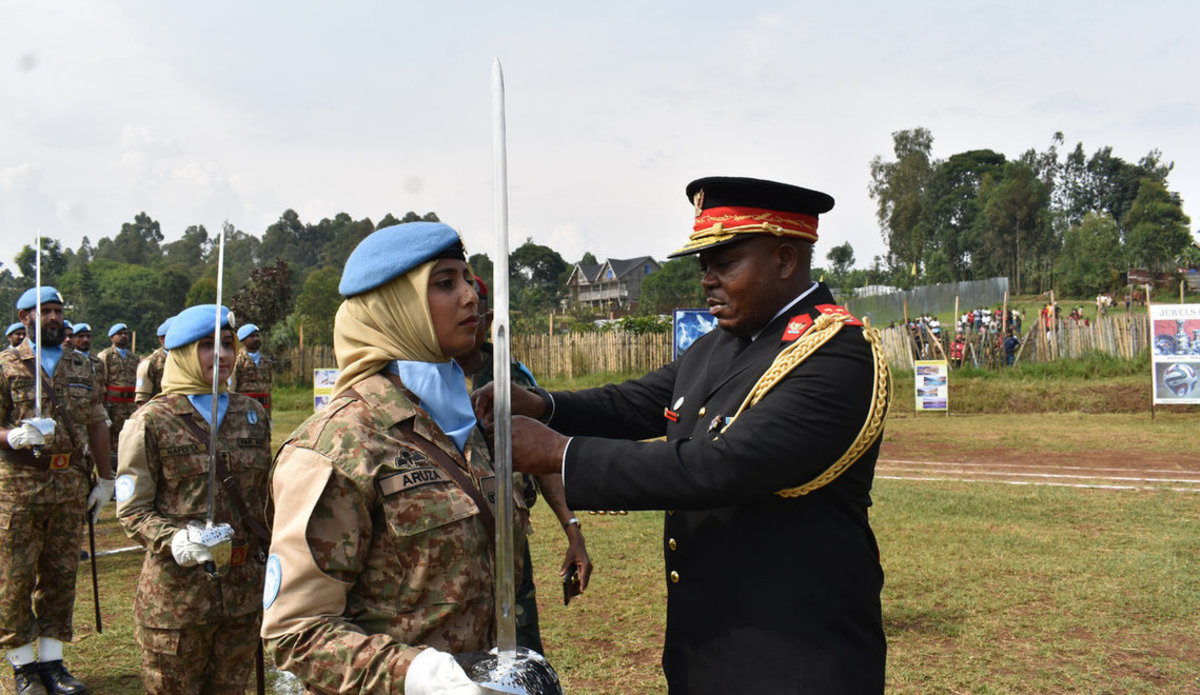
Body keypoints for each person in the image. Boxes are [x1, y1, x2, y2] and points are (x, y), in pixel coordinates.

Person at [480, 176, 890, 693]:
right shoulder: (722, 343)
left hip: (793, 653)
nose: (707, 280)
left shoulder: (834, 353)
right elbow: (637, 402)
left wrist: (561, 455)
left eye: (724, 263)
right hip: (709, 649)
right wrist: (546, 405)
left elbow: (722, 466)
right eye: (703, 266)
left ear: (785, 260)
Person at [262, 221, 533, 694]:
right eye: (445, 283)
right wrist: (419, 676)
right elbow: (296, 632)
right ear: (394, 307)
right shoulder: (340, 443)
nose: (471, 296)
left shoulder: (468, 423)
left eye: (468, 279)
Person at [115, 304, 271, 694]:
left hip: (242, 594)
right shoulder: (151, 420)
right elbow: (133, 509)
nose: (221, 355)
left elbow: (264, 499)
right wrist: (174, 541)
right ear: (181, 353)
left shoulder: (251, 413)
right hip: (178, 598)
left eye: (227, 344)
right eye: (206, 345)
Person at [457, 276, 593, 653]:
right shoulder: (423, 377)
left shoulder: (508, 378)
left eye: (479, 310)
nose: (470, 315)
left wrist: (574, 531)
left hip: (507, 535)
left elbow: (543, 459)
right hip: (450, 544)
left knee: (521, 650)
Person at [1, 286, 113, 695]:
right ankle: (23, 666)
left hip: (69, 486)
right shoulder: (7, 365)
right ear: (24, 316)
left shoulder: (83, 365)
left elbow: (99, 421)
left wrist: (105, 479)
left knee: (61, 575)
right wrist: (11, 435)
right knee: (14, 578)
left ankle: (53, 662)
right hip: (19, 487)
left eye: (57, 311)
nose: (53, 317)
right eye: (43, 311)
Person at [97, 324, 138, 466]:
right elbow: (102, 382)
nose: (124, 336)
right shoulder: (105, 356)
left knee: (131, 434)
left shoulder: (134, 357)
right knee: (114, 437)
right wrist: (103, 406)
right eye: (119, 333)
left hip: (131, 404)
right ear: (111, 337)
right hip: (113, 404)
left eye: (125, 333)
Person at [228, 324, 273, 415]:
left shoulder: (266, 361)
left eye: (257, 336)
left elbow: (269, 386)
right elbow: (231, 388)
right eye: (252, 336)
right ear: (243, 340)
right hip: (244, 408)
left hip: (263, 408)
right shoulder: (237, 360)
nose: (256, 339)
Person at [135, 318, 173, 407]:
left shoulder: (186, 359)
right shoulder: (150, 363)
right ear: (161, 339)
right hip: (160, 413)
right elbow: (142, 400)